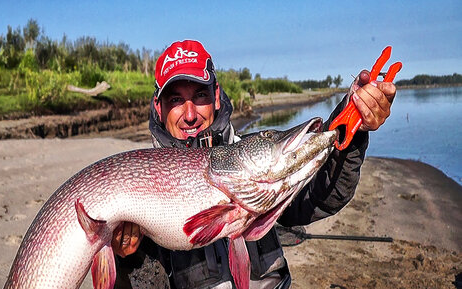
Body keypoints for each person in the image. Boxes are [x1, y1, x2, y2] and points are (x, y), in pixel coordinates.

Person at [111, 40, 396, 289]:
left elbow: (321, 197)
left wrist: (352, 122)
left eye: (200, 96)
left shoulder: (253, 163)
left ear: (217, 96)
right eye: (176, 99)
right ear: (159, 108)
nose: (189, 114)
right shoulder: (141, 190)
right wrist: (130, 259)